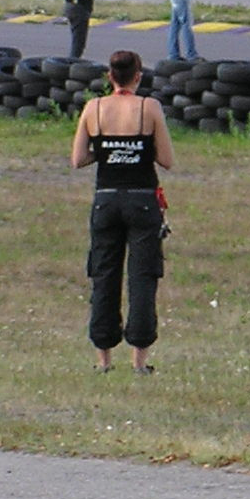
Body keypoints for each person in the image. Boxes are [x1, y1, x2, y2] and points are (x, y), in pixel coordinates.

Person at [69, 49, 173, 375]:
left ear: (109, 77)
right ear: (138, 76)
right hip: (142, 199)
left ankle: (103, 360)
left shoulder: (94, 108)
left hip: (106, 199)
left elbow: (78, 159)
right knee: (142, 277)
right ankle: (139, 361)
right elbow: (167, 160)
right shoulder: (149, 107)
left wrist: (107, 152)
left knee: (104, 275)